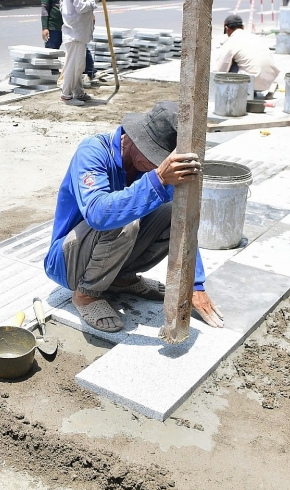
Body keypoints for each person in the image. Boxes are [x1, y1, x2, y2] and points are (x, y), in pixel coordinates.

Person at [43, 102, 224, 333]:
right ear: (133, 138)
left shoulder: (147, 166)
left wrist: (194, 283)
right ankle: (85, 295)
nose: (153, 165)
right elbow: (99, 214)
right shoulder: (92, 151)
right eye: (152, 157)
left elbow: (182, 219)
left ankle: (121, 279)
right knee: (124, 220)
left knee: (173, 211)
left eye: (159, 161)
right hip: (66, 261)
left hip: (108, 252)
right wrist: (157, 179)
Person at [60, 0, 107, 106]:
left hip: (77, 30)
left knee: (78, 65)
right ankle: (66, 95)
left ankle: (78, 92)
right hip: (75, 31)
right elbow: (81, 7)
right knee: (73, 66)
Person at [212, 14, 280, 94]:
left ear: (227, 28)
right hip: (269, 81)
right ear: (243, 27)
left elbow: (221, 69)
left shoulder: (232, 41)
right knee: (244, 60)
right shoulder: (256, 37)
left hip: (250, 83)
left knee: (230, 63)